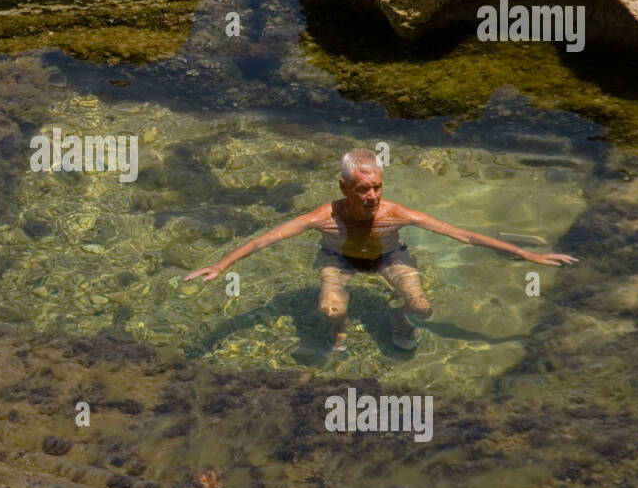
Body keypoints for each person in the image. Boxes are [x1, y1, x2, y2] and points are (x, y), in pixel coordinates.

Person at [183, 149, 578, 351]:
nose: (371, 196)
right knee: (331, 309)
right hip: (338, 259)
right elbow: (265, 239)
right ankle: (339, 329)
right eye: (362, 189)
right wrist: (221, 265)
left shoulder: (396, 214)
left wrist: (528, 256)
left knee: (422, 308)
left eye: (377, 187)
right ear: (344, 187)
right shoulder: (324, 216)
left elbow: (465, 236)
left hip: (390, 257)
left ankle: (398, 319)